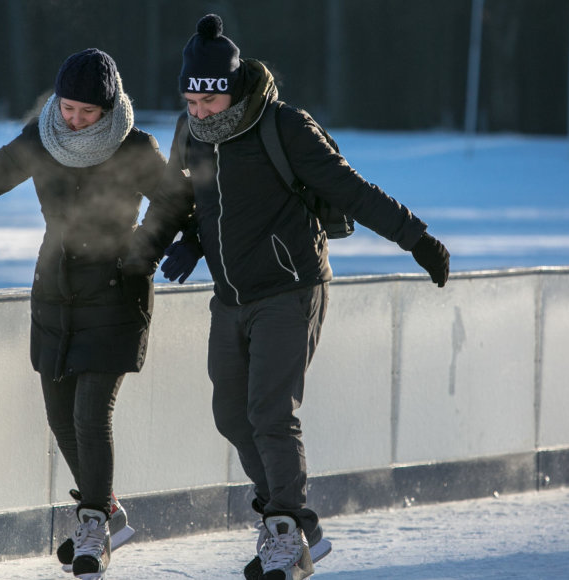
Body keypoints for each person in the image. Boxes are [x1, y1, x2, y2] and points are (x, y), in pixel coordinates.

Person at [126, 14, 451, 580]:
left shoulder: (283, 127)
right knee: (231, 414)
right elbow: (176, 202)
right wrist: (151, 254)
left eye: (209, 100)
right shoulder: (190, 132)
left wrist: (416, 238)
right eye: (191, 100)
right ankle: (299, 522)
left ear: (232, 88)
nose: (199, 112)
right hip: (230, 296)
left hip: (290, 288)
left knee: (271, 413)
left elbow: (352, 189)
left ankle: (281, 531)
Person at [0, 48, 165, 579]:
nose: (74, 120)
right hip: (54, 293)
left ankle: (93, 522)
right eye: (68, 107)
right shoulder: (41, 138)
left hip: (116, 295)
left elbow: (176, 202)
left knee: (91, 416)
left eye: (87, 113)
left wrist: (146, 248)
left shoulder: (135, 147)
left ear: (110, 107)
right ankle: (110, 509)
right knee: (60, 418)